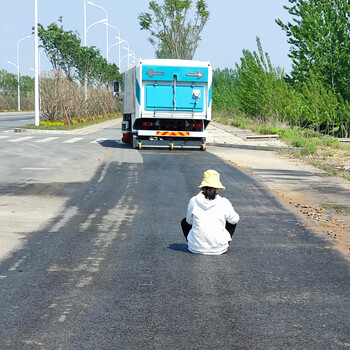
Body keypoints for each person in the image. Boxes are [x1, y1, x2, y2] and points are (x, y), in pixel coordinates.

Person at [181, 169, 240, 255]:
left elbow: (188, 222)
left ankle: (197, 244)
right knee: (231, 221)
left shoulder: (194, 200)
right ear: (217, 188)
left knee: (184, 222)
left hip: (195, 248)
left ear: (203, 188)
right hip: (219, 249)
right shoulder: (224, 202)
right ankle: (220, 244)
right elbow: (235, 220)